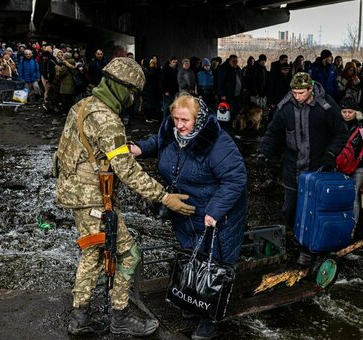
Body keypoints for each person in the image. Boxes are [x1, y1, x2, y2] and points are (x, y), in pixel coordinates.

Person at [54, 57, 195, 337]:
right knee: (130, 254)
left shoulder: (82, 106)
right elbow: (127, 170)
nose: (133, 99)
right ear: (121, 88)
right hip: (93, 199)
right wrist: (164, 197)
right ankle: (120, 317)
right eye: (132, 92)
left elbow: (67, 154)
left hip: (77, 195)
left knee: (92, 253)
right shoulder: (107, 118)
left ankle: (80, 317)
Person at [131, 93, 247, 340]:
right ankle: (194, 302)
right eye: (175, 119)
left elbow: (236, 179)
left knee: (213, 263)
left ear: (200, 118)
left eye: (185, 120)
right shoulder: (172, 132)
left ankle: (209, 318)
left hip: (217, 216)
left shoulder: (217, 142)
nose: (179, 125)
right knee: (192, 256)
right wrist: (140, 148)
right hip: (185, 211)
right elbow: (158, 142)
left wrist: (215, 211)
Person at [257, 72, 348, 247]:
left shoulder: (326, 107)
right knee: (290, 208)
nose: (297, 97)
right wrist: (263, 153)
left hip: (318, 166)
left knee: (314, 209)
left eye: (301, 93)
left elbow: (341, 132)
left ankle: (310, 245)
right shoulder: (285, 107)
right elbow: (273, 132)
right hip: (293, 165)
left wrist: (330, 154)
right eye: (294, 92)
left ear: (310, 89)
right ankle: (291, 239)